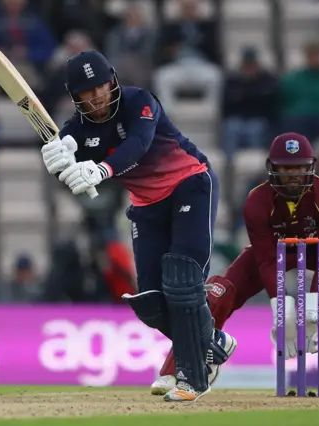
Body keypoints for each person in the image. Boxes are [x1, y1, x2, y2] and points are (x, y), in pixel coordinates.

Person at [39, 50, 236, 402]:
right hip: (148, 206)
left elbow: (138, 146)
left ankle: (191, 378)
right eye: (88, 92)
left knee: (183, 280)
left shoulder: (140, 101)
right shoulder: (76, 129)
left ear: (112, 80)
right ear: (76, 97)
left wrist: (101, 170)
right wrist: (59, 161)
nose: (98, 97)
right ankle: (212, 342)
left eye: (101, 87)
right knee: (150, 301)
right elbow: (67, 169)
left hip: (190, 184)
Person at [152, 133, 319, 397]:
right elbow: (266, 259)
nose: (293, 175)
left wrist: (313, 304)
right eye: (286, 169)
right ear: (272, 169)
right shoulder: (257, 200)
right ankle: (178, 371)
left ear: (311, 167)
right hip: (273, 251)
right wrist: (283, 309)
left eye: (299, 167)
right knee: (217, 293)